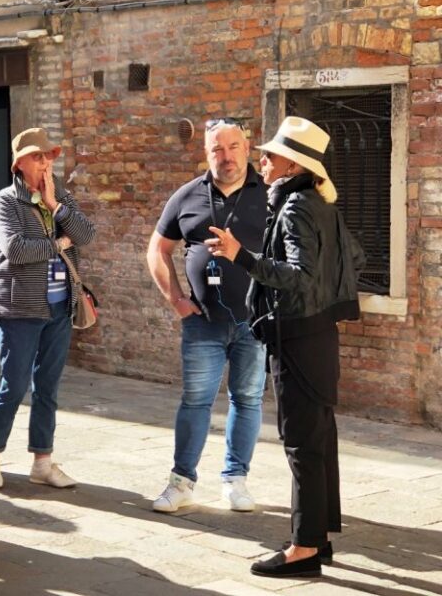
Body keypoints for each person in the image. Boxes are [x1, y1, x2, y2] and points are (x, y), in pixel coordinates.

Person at [205, 117, 364, 578]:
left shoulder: (296, 208)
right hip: (319, 337)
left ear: (293, 164)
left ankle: (304, 548)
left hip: (298, 338)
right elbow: (356, 258)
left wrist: (243, 257)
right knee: (318, 440)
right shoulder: (320, 204)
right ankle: (319, 537)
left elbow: (299, 277)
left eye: (270, 155)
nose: (263, 160)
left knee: (301, 445)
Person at [147, 118, 267, 513]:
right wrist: (177, 300)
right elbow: (157, 250)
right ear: (206, 153)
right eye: (217, 149)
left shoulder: (269, 194)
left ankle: (236, 481)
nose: (226, 156)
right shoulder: (187, 196)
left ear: (247, 149)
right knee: (196, 400)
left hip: (256, 322)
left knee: (248, 400)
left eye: (233, 147)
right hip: (202, 322)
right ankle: (181, 483)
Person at [0, 127, 95, 490]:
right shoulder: (5, 202)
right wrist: (60, 241)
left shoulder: (60, 196)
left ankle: (42, 461)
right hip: (19, 308)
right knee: (13, 386)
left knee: (47, 386)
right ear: (19, 164)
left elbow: (87, 235)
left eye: (48, 156)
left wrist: (55, 207)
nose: (45, 162)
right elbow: (16, 249)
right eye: (36, 156)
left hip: (60, 306)